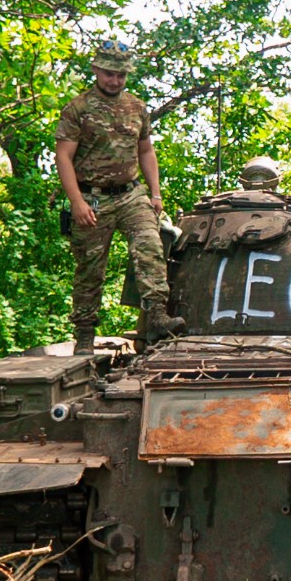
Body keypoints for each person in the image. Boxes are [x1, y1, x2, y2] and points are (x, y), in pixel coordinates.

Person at [54, 40, 186, 351]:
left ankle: (156, 316)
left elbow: (146, 150)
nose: (115, 81)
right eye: (109, 74)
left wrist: (155, 193)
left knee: (151, 247)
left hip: (131, 194)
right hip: (92, 197)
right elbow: (63, 157)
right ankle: (84, 334)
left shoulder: (136, 107)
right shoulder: (78, 108)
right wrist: (77, 202)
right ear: (96, 69)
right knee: (90, 267)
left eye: (121, 75)